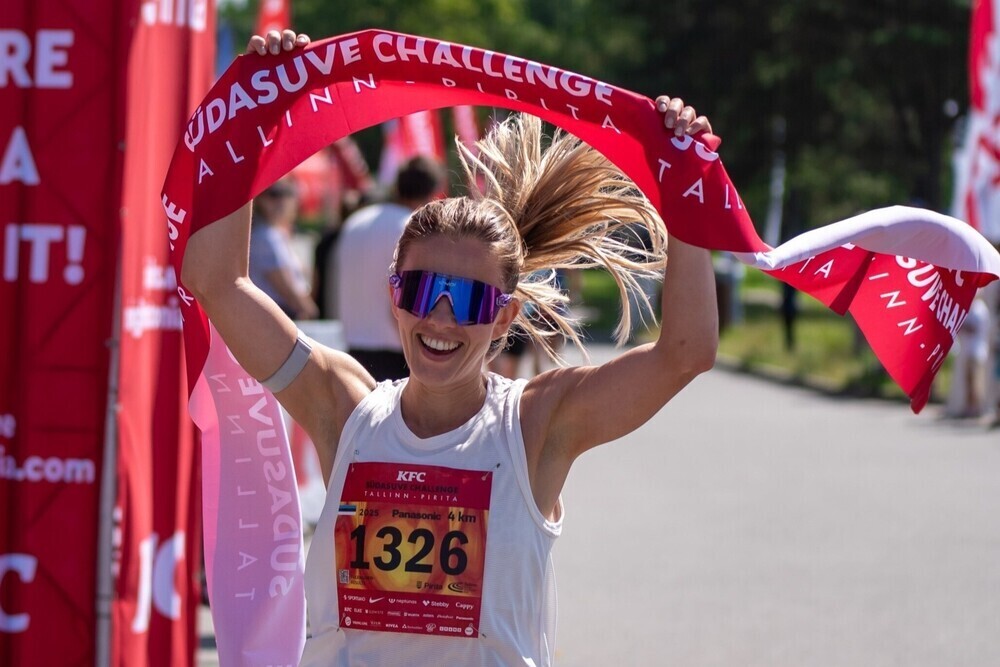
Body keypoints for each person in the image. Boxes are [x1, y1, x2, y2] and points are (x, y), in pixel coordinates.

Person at [185, 30, 716, 667]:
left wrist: (685, 185)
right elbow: (216, 281)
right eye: (421, 289)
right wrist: (257, 114)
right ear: (394, 295)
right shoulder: (343, 408)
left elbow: (686, 351)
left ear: (505, 316)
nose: (440, 317)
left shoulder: (536, 425)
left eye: (467, 299)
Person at [335, 155, 445, 381]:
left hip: (352, 348)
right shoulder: (414, 229)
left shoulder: (355, 222)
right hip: (398, 353)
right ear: (433, 193)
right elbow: (405, 297)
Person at [248, 176, 319, 320]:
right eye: (273, 193)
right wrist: (312, 312)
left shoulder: (275, 233)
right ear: (260, 199)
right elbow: (286, 288)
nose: (280, 200)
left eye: (287, 192)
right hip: (279, 315)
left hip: (281, 315)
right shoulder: (265, 236)